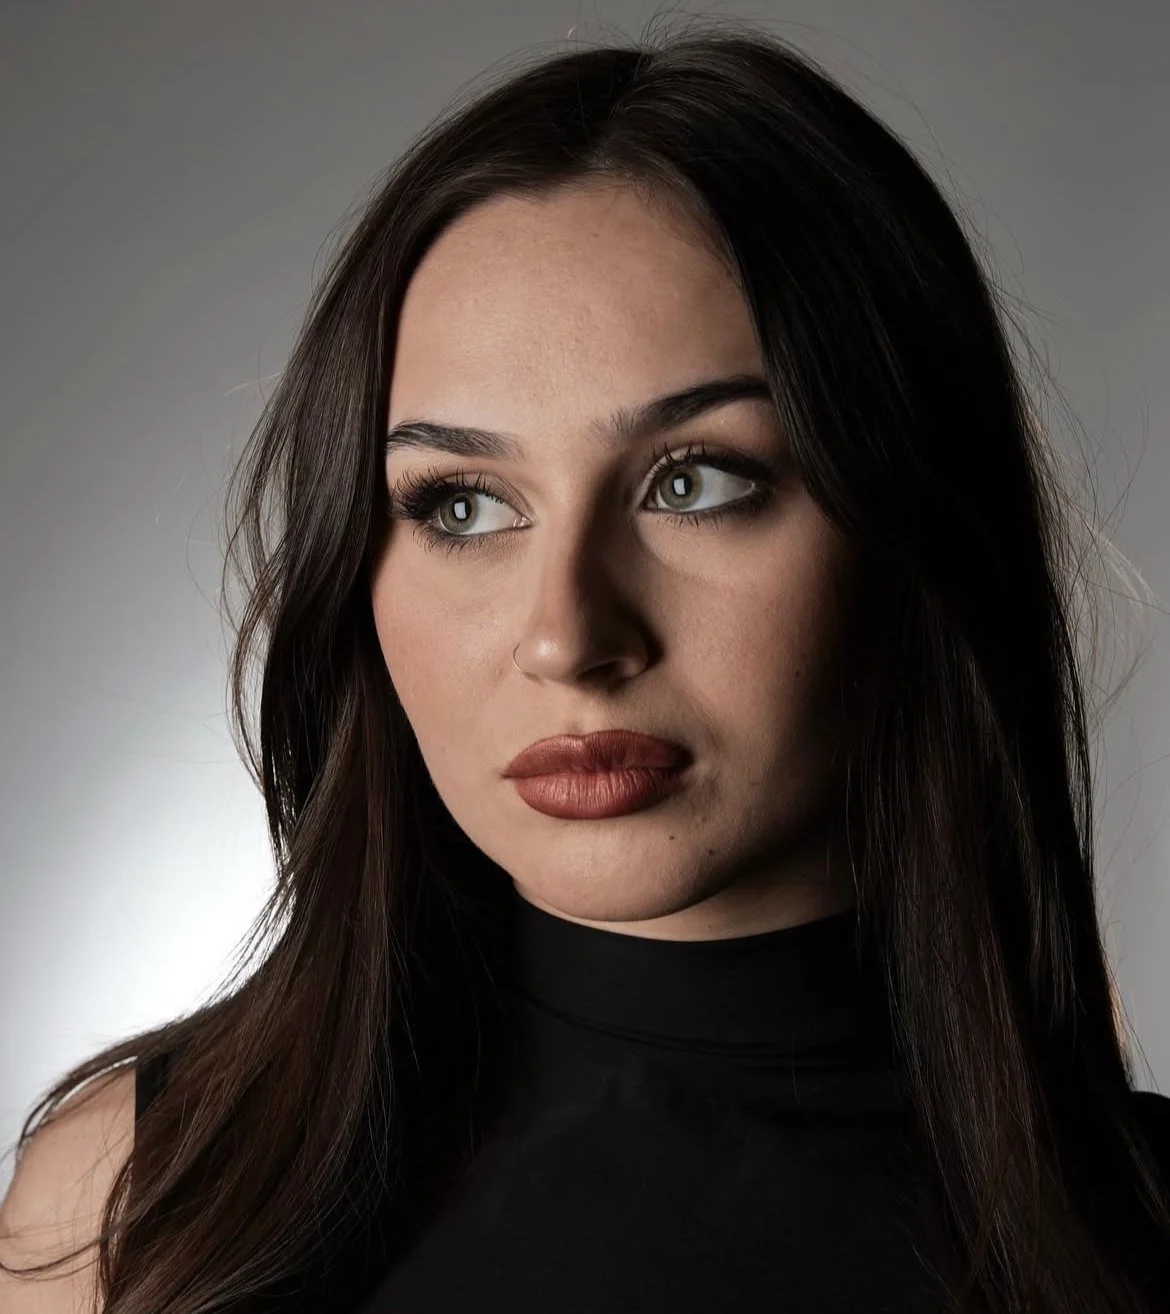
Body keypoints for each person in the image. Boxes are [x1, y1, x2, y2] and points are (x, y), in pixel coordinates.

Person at [2, 14, 1169, 1314]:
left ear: (910, 518)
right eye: (459, 504)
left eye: (696, 479)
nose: (566, 637)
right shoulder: (136, 1199)